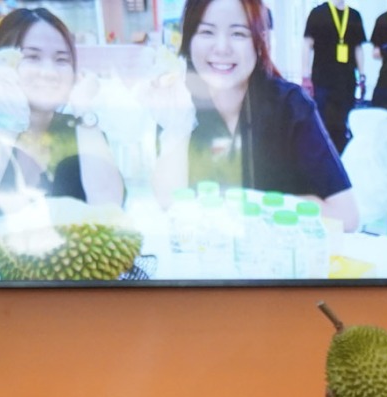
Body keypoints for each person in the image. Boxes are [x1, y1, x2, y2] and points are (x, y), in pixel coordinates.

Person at [151, 0, 358, 231]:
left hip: (278, 250)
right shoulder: (177, 103)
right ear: (188, 40)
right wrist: (177, 123)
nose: (222, 48)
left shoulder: (290, 106)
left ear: (259, 42)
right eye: (207, 32)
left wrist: (256, 206)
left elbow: (346, 216)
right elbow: (169, 204)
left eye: (238, 33)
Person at [0, 8, 124, 242]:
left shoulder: (80, 131)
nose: (48, 72)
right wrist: (8, 123)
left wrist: (85, 112)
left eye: (61, 60)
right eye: (32, 57)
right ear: (4, 64)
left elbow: (109, 209)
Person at [301, 0, 365, 152]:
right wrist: (305, 76)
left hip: (346, 82)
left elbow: (358, 48)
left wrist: (362, 75)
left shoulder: (354, 16)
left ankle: (341, 158)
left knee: (342, 125)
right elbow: (307, 45)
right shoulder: (317, 13)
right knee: (323, 124)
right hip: (323, 80)